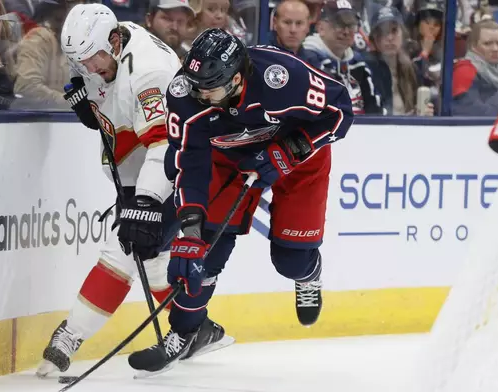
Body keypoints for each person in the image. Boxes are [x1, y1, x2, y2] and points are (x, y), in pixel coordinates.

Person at [127, 28, 354, 375]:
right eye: (195, 85)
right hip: (228, 159)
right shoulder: (185, 93)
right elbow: (190, 163)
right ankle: (185, 331)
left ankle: (309, 273)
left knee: (290, 261)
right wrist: (189, 231)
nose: (199, 95)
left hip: (297, 158)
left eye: (209, 88)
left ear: (235, 79)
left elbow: (341, 111)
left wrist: (291, 150)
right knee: (203, 251)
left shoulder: (282, 78)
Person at [36, 4, 229, 377]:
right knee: (152, 256)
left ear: (113, 41)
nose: (88, 67)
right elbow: (109, 92)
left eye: (93, 60)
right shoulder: (105, 42)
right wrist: (94, 103)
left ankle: (70, 335)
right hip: (135, 160)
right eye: (80, 62)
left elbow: (164, 145)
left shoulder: (150, 72)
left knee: (124, 246)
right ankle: (196, 328)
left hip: (173, 164)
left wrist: (146, 200)